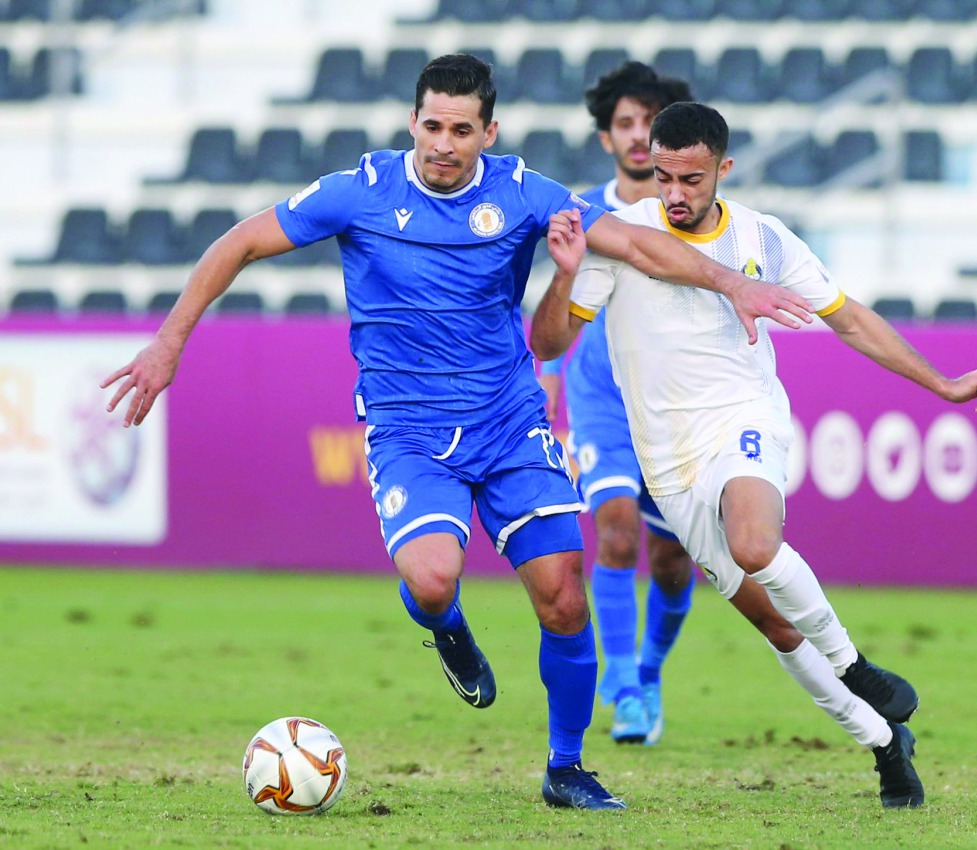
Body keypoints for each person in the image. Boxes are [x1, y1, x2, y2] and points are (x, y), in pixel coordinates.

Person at [100, 55, 815, 812]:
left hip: (508, 423)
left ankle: (566, 768)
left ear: (488, 132)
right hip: (408, 429)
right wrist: (168, 342)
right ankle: (447, 631)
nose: (444, 143)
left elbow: (638, 246)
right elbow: (238, 243)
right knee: (434, 579)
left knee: (564, 598)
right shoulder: (361, 192)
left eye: (461, 130)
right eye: (433, 126)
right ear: (413, 123)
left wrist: (733, 280)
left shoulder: (519, 192)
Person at [530, 101, 977, 809]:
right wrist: (566, 273)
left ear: (723, 169)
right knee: (776, 623)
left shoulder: (765, 237)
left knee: (756, 544)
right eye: (663, 176)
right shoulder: (624, 240)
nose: (674, 193)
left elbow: (847, 318)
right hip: (668, 463)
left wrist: (941, 383)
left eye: (691, 179)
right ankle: (883, 740)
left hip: (744, 422)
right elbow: (547, 344)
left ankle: (855, 667)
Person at [538, 61, 697, 747]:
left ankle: (650, 671)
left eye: (650, 124)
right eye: (625, 124)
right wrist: (545, 378)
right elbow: (553, 305)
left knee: (672, 561)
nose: (638, 137)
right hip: (600, 398)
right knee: (615, 528)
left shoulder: (695, 216)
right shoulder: (580, 213)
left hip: (672, 408)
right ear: (607, 138)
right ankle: (626, 688)